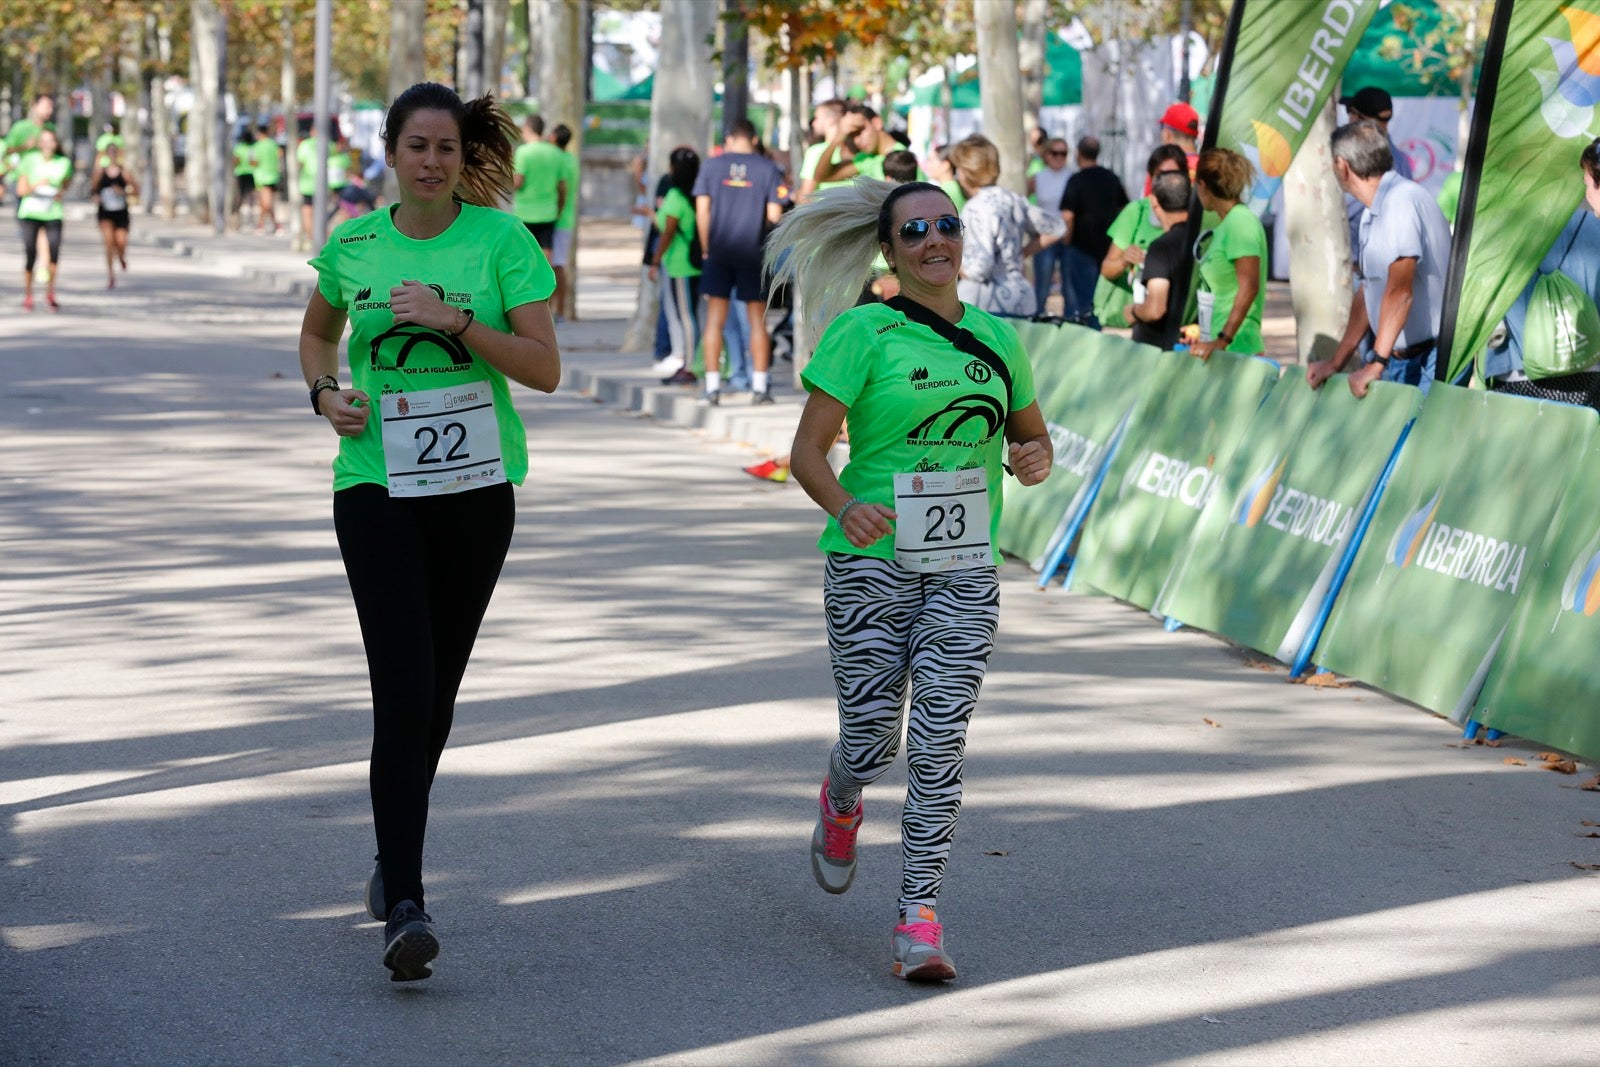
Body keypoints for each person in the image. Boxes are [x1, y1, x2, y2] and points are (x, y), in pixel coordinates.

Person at [297, 81, 560, 983]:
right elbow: (317, 340)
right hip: (373, 486)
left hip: (477, 492)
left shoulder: (502, 242)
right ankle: (405, 900)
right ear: (390, 150)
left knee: (437, 691)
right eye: (416, 145)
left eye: (447, 147)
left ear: (462, 156)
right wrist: (326, 394)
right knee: (403, 687)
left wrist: (458, 320)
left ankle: (390, 843)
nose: (432, 161)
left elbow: (545, 368)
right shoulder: (353, 243)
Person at [765, 177, 1054, 982]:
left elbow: (1031, 441)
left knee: (938, 744)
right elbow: (807, 453)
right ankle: (842, 792)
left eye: (947, 226)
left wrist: (1035, 459)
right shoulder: (864, 331)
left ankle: (918, 918)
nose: (935, 240)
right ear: (889, 252)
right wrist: (845, 504)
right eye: (916, 230)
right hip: (871, 564)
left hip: (965, 570)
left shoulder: (999, 338)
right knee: (873, 736)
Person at [1306, 120, 1452, 396]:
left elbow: (1399, 292)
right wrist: (1336, 362)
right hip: (1401, 358)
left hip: (1429, 359)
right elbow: (1369, 291)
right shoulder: (1376, 210)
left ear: (1342, 165)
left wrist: (1377, 363)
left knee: (1413, 439)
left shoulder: (1401, 202)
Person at [691, 118, 784, 405]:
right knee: (758, 321)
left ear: (730, 137)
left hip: (719, 252)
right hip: (752, 253)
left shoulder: (711, 165)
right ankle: (759, 387)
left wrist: (706, 247)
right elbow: (774, 216)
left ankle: (712, 388)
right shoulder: (768, 168)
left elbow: (702, 211)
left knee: (715, 320)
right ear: (754, 139)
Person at [949, 133, 1065, 318]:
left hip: (987, 304)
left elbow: (977, 269)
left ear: (965, 171)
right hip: (1021, 296)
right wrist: (1020, 254)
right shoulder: (1013, 199)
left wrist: (951, 260)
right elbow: (1056, 228)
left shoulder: (975, 208)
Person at [1187, 149, 1267, 360]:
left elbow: (1249, 286)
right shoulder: (1228, 223)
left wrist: (1223, 339)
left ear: (1203, 186)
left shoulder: (1241, 222)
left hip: (1237, 347)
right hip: (1221, 346)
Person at [1096, 144, 1188, 328]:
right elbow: (1107, 268)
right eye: (1161, 177)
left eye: (1174, 176)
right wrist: (1124, 261)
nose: (1168, 184)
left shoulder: (1196, 217)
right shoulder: (1135, 212)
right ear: (1151, 179)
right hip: (1133, 323)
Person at [1339, 87, 1414, 262]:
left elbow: (1339, 210)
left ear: (1359, 118)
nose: (1348, 119)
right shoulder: (1401, 160)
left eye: (1350, 112)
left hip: (1358, 266)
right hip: (1383, 262)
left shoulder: (1369, 162)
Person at [1058, 136, 1129, 322]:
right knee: (1101, 298)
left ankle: (1083, 337)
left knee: (1081, 302)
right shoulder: (1111, 177)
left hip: (1081, 247)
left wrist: (1066, 240)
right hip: (1107, 248)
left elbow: (1068, 216)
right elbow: (1124, 208)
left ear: (1078, 154)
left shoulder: (1076, 180)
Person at [649, 147, 701, 382]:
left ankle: (689, 365)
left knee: (685, 316)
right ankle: (690, 362)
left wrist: (655, 259)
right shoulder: (696, 194)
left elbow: (667, 231)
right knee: (689, 314)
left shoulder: (675, 197)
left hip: (680, 264)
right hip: (692, 263)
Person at [1122, 170, 1191, 348]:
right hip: (1192, 344)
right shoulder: (1203, 240)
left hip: (1158, 350)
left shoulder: (1161, 247)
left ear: (1154, 201)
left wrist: (1133, 311)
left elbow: (1155, 309)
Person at [16, 126, 71, 312]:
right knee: (30, 254)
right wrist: (38, 185)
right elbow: (21, 190)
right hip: (30, 212)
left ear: (56, 144)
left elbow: (66, 183)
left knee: (54, 254)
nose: (48, 145)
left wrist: (59, 192)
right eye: (45, 141)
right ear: (40, 144)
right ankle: (28, 295)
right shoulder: (29, 160)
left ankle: (50, 293)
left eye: (52, 141)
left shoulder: (63, 162)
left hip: (53, 213)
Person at [1028, 137, 1074, 313]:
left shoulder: (1072, 176)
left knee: (1070, 286)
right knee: (1042, 284)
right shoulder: (1037, 178)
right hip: (1045, 237)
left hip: (1068, 236)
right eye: (1055, 153)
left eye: (1063, 153)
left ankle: (1071, 324)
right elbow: (1021, 200)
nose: (1059, 157)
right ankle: (1037, 319)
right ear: (1046, 155)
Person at [512, 113, 566, 254]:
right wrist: (559, 210)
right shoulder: (555, 153)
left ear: (527, 129)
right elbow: (562, 188)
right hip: (549, 212)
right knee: (546, 254)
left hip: (525, 213)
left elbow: (518, 182)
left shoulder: (523, 152)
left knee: (525, 253)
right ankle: (546, 277)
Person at [811, 103, 901, 185]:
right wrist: (838, 138)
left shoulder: (905, 159)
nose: (856, 140)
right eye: (851, 136)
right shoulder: (866, 160)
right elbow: (821, 177)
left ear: (876, 123)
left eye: (859, 131)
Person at [91, 142, 137, 289]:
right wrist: (97, 197)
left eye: (114, 152)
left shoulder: (125, 172)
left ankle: (122, 257)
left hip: (121, 212)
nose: (112, 154)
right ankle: (111, 275)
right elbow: (93, 190)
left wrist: (123, 192)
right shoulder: (100, 172)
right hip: (105, 212)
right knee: (109, 243)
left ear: (118, 154)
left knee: (121, 242)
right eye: (109, 152)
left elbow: (136, 191)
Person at [550, 123, 579, 316]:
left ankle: (558, 310)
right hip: (564, 218)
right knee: (557, 264)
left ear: (554, 138)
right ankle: (558, 309)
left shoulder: (557, 159)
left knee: (555, 265)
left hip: (556, 218)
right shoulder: (571, 159)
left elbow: (561, 189)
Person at [796, 98, 848, 203]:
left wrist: (796, 195)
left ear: (830, 120)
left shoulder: (815, 152)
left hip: (825, 216)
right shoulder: (853, 150)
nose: (813, 123)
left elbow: (805, 197)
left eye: (817, 118)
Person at [1146, 103, 1200, 194]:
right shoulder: (1208, 167)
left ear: (1167, 134)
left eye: (1162, 127)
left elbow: (1148, 205)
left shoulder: (1160, 167)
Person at [251, 124, 281, 236]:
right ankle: (273, 225)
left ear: (259, 133)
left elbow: (254, 161)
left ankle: (263, 225)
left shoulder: (257, 146)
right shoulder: (274, 144)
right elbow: (280, 155)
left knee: (265, 203)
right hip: (273, 176)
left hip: (262, 177)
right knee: (265, 203)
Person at [232, 127, 257, 231]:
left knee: (240, 197)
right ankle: (250, 219)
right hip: (251, 174)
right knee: (251, 197)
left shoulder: (239, 147)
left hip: (241, 174)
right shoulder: (253, 148)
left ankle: (237, 219)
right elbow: (254, 162)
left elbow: (235, 161)